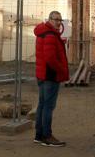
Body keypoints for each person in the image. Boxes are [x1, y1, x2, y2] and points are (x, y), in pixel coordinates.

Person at [33, 11, 69, 147]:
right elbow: (50, 58)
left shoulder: (43, 32)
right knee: (48, 107)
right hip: (50, 76)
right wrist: (61, 69)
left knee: (42, 105)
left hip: (42, 75)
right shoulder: (50, 35)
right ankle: (47, 136)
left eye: (60, 20)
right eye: (56, 20)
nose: (59, 22)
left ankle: (39, 135)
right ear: (49, 20)